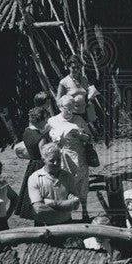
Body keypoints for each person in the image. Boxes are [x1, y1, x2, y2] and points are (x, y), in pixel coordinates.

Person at [48, 93, 93, 221]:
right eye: (66, 108)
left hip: (80, 155)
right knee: (65, 184)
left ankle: (85, 212)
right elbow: (49, 140)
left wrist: (80, 136)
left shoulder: (79, 120)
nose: (69, 111)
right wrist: (59, 138)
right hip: (63, 157)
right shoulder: (53, 121)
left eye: (72, 108)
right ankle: (67, 215)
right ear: (59, 106)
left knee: (82, 184)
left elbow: (90, 138)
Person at [28, 143, 81, 226]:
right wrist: (66, 205)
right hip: (44, 227)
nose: (56, 163)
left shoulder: (68, 177)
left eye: (58, 159)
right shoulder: (35, 178)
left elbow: (75, 205)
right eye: (52, 160)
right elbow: (39, 209)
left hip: (66, 224)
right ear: (43, 160)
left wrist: (50, 203)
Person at [18, 107, 51, 217]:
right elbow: (44, 157)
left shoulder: (27, 131)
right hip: (40, 166)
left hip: (31, 165)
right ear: (41, 120)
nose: (46, 121)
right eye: (45, 119)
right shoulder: (41, 139)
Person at [56, 55, 98, 125]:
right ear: (68, 67)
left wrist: (90, 98)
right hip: (72, 115)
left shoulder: (84, 80)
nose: (76, 70)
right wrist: (67, 112)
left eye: (78, 67)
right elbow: (58, 102)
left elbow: (86, 96)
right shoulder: (64, 82)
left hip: (84, 113)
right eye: (73, 67)